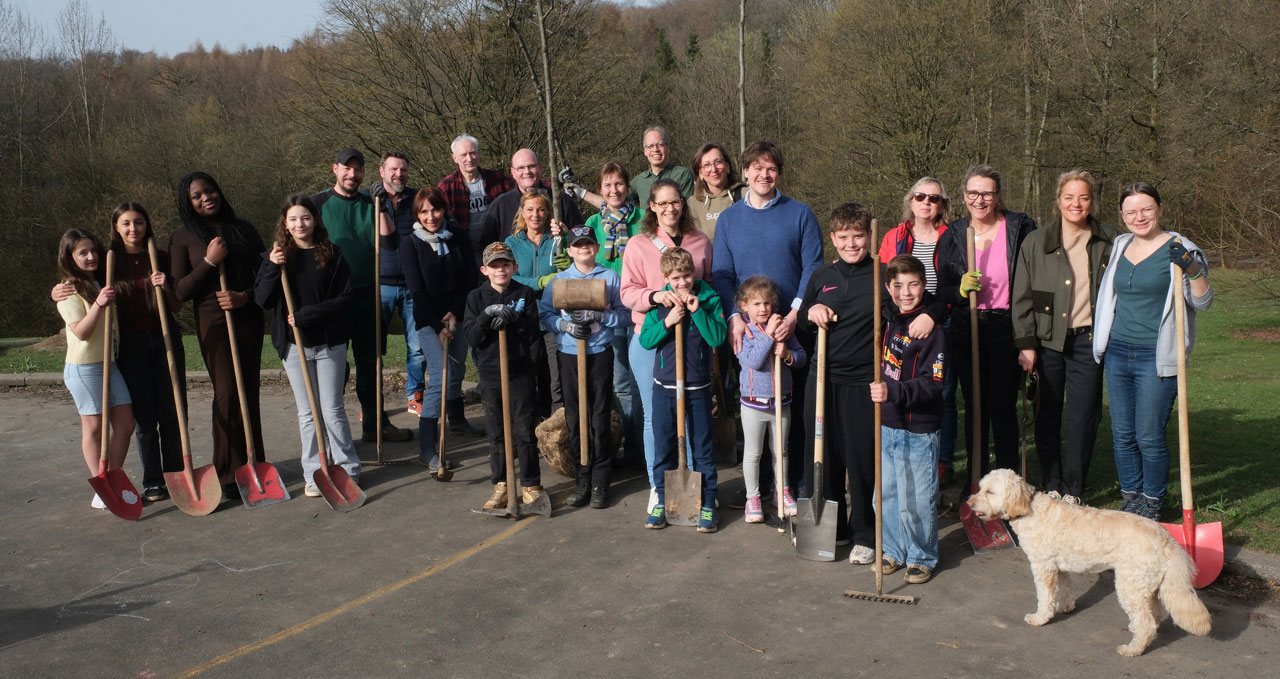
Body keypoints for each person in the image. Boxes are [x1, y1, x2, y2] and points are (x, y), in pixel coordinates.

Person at [711, 140, 824, 508]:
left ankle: (792, 485)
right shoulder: (729, 220)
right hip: (748, 332)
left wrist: (793, 314)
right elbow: (723, 274)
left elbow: (813, 267)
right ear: (744, 172)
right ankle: (755, 490)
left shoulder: (801, 214)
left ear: (779, 172)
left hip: (793, 327)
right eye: (756, 168)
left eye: (771, 167)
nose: (764, 174)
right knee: (753, 407)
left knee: (793, 411)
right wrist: (734, 318)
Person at [1093, 182, 1212, 521]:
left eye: (1146, 208)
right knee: (1122, 434)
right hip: (1118, 352)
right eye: (1130, 211)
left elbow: (1203, 302)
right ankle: (1131, 499)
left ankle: (1154, 501)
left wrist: (1192, 269)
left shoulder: (1181, 247)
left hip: (1155, 358)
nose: (1139, 216)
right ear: (1122, 216)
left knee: (1148, 434)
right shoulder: (1120, 244)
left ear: (1159, 208)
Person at [53, 205, 185, 502]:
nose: (133, 228)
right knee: (140, 418)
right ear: (115, 226)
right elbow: (76, 285)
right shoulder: (109, 264)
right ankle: (148, 482)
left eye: (139, 222)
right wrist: (56, 291)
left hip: (159, 341)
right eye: (125, 223)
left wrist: (165, 288)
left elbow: (176, 305)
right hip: (125, 348)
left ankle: (169, 475)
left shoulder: (157, 258)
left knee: (159, 415)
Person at [1012, 169, 1117, 505]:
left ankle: (1074, 489)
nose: (1076, 204)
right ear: (1058, 201)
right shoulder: (1036, 242)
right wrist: (1026, 345)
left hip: (1089, 344)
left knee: (1083, 418)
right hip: (1047, 344)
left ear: (1092, 201)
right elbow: (1022, 297)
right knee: (1047, 413)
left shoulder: (1111, 241)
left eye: (1083, 197)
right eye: (1069, 197)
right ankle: (1052, 482)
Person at [254, 194, 360, 497]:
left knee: (332, 409)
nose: (300, 224)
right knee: (307, 413)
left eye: (305, 217)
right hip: (293, 346)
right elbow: (262, 299)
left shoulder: (333, 254)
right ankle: (314, 474)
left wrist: (306, 315)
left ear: (315, 220)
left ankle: (347, 469)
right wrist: (273, 267)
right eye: (293, 219)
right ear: (285, 224)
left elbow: (345, 298)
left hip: (329, 343)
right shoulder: (276, 257)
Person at [169, 171, 267, 493]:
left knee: (247, 391)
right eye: (196, 196)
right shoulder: (183, 237)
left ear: (218, 191)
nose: (205, 198)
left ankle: (254, 466)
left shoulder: (244, 229)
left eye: (208, 191)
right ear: (189, 204)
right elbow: (180, 291)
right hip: (212, 321)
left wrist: (245, 297)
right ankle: (226, 473)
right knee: (226, 394)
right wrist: (210, 262)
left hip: (247, 315)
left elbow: (266, 275)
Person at [936, 164, 1036, 479]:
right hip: (969, 329)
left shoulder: (1020, 228)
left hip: (1007, 327)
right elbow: (943, 291)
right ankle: (976, 481)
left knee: (1002, 408)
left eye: (987, 193)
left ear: (998, 195)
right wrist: (961, 290)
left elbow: (1035, 282)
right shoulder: (952, 235)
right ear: (964, 195)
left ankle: (1006, 481)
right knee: (975, 409)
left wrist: (1028, 340)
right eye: (973, 193)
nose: (979, 200)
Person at [619, 178, 713, 511]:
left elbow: (708, 287)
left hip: (692, 342)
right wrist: (655, 296)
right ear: (652, 208)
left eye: (675, 202)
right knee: (654, 418)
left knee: (690, 416)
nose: (670, 208)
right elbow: (626, 292)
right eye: (662, 203)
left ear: (683, 205)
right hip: (652, 338)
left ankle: (692, 486)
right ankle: (659, 487)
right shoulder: (638, 244)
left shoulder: (700, 242)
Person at [312, 147, 414, 442]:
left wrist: (380, 205)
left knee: (371, 363)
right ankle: (329, 431)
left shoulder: (372, 202)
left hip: (368, 294)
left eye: (358, 170)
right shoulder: (318, 203)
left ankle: (375, 425)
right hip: (333, 298)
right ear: (335, 169)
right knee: (335, 366)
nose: (353, 175)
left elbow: (392, 242)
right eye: (347, 168)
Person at [798, 202, 881, 564]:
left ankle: (864, 531)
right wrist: (812, 311)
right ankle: (833, 530)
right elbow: (802, 320)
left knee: (861, 459)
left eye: (858, 236)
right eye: (844, 237)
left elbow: (913, 305)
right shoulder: (821, 276)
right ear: (833, 238)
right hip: (822, 380)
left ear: (869, 236)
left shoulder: (882, 274)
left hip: (863, 382)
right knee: (821, 457)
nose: (851, 244)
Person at [869, 254, 947, 585]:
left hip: (919, 427)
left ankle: (920, 555)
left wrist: (895, 393)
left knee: (916, 496)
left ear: (923, 285)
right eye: (898, 285)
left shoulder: (933, 331)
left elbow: (935, 382)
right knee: (885, 494)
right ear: (887, 288)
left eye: (913, 284)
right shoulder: (885, 321)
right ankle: (892, 550)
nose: (905, 292)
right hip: (887, 424)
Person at [639, 247, 728, 532]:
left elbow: (717, 336)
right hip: (664, 387)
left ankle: (708, 502)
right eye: (676, 277)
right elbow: (646, 341)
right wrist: (668, 321)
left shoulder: (709, 299)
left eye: (687, 275)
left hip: (697, 387)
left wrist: (697, 311)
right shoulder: (660, 303)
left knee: (702, 447)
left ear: (694, 273)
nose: (682, 282)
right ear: (666, 277)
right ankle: (664, 501)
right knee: (664, 446)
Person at [539, 226, 628, 508]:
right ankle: (583, 477)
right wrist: (565, 325)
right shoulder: (559, 281)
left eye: (588, 244)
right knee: (576, 417)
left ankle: (601, 480)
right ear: (569, 251)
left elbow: (625, 315)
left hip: (599, 353)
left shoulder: (610, 278)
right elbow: (545, 315)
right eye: (578, 245)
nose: (584, 249)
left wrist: (600, 318)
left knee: (599, 415)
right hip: (569, 353)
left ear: (596, 247)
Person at [877, 177, 956, 484]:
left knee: (941, 392)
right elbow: (886, 282)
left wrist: (934, 315)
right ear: (910, 200)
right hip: (902, 318)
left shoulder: (952, 236)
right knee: (898, 379)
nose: (926, 202)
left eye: (934, 198)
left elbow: (950, 287)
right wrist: (891, 312)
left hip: (940, 317)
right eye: (920, 196)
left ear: (942, 204)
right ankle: (899, 444)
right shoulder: (894, 236)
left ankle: (941, 459)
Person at [399, 187, 479, 469]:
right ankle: (426, 446)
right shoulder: (411, 243)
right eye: (423, 212)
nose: (430, 216)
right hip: (428, 320)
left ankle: (457, 421)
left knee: (456, 370)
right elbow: (417, 290)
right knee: (441, 378)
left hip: (458, 314)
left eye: (435, 210)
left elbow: (471, 278)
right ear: (417, 215)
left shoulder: (458, 237)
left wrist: (454, 315)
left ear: (444, 210)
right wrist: (438, 324)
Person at [55, 229, 135, 510]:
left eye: (93, 251)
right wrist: (99, 304)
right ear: (69, 258)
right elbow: (82, 333)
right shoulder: (67, 291)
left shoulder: (101, 280)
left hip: (109, 364)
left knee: (126, 424)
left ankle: (111, 478)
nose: (91, 257)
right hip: (84, 368)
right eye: (82, 253)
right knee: (94, 428)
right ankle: (100, 485)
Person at [464, 242, 546, 510]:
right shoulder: (476, 298)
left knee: (524, 430)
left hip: (519, 372)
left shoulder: (525, 293)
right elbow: (472, 338)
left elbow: (534, 333)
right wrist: (486, 317)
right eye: (495, 265)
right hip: (490, 373)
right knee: (497, 433)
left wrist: (516, 321)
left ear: (515, 267)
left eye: (506, 264)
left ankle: (531, 485)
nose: (501, 270)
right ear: (484, 269)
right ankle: (501, 483)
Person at [584, 162, 646, 466]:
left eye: (619, 184)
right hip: (607, 313)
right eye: (607, 185)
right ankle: (628, 446)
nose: (614, 190)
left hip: (639, 311)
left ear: (627, 186)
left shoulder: (644, 220)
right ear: (600, 189)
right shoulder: (594, 223)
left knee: (640, 382)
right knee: (620, 384)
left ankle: (641, 445)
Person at [733, 275, 807, 524]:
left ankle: (782, 490)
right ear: (744, 306)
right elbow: (753, 361)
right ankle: (753, 498)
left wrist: (786, 354)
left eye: (766, 304)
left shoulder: (784, 330)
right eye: (756, 304)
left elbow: (801, 358)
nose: (763, 309)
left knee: (781, 451)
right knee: (753, 453)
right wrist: (770, 335)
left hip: (781, 401)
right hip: (753, 403)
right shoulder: (745, 331)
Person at [370, 151, 427, 417]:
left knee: (417, 347)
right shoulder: (367, 200)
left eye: (403, 170)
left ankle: (415, 395)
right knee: (374, 347)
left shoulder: (417, 199)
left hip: (412, 283)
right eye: (393, 169)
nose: (398, 174)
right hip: (379, 284)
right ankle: (373, 403)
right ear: (381, 171)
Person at [505, 190, 569, 418]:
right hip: (524, 319)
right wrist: (538, 282)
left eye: (541, 209)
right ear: (522, 211)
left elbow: (575, 273)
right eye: (530, 209)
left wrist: (568, 262)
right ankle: (527, 426)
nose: (536, 214)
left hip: (553, 318)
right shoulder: (511, 243)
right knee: (526, 375)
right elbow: (508, 277)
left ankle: (555, 427)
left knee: (555, 377)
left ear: (548, 212)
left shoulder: (558, 241)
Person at [479, 148, 582, 250]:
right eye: (520, 168)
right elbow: (486, 247)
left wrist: (566, 238)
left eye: (531, 166)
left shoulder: (562, 201)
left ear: (540, 168)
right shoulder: (500, 205)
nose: (527, 172)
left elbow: (580, 239)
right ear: (513, 172)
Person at [437, 134, 516, 262]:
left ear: (479, 153)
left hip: (497, 249)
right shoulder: (446, 188)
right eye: (463, 155)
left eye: (473, 153)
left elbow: (524, 186)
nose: (469, 158)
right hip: (464, 251)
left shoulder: (497, 179)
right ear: (454, 158)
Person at [572, 127, 695, 207]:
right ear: (645, 151)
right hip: (648, 239)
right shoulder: (639, 181)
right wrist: (581, 193)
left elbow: (685, 209)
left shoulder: (683, 174)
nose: (655, 150)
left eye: (660, 145)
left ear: (668, 148)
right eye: (650, 146)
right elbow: (612, 202)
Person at [688, 142, 745, 241]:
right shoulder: (691, 205)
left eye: (718, 162)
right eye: (706, 165)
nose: (713, 169)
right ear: (700, 173)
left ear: (727, 166)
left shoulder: (746, 195)